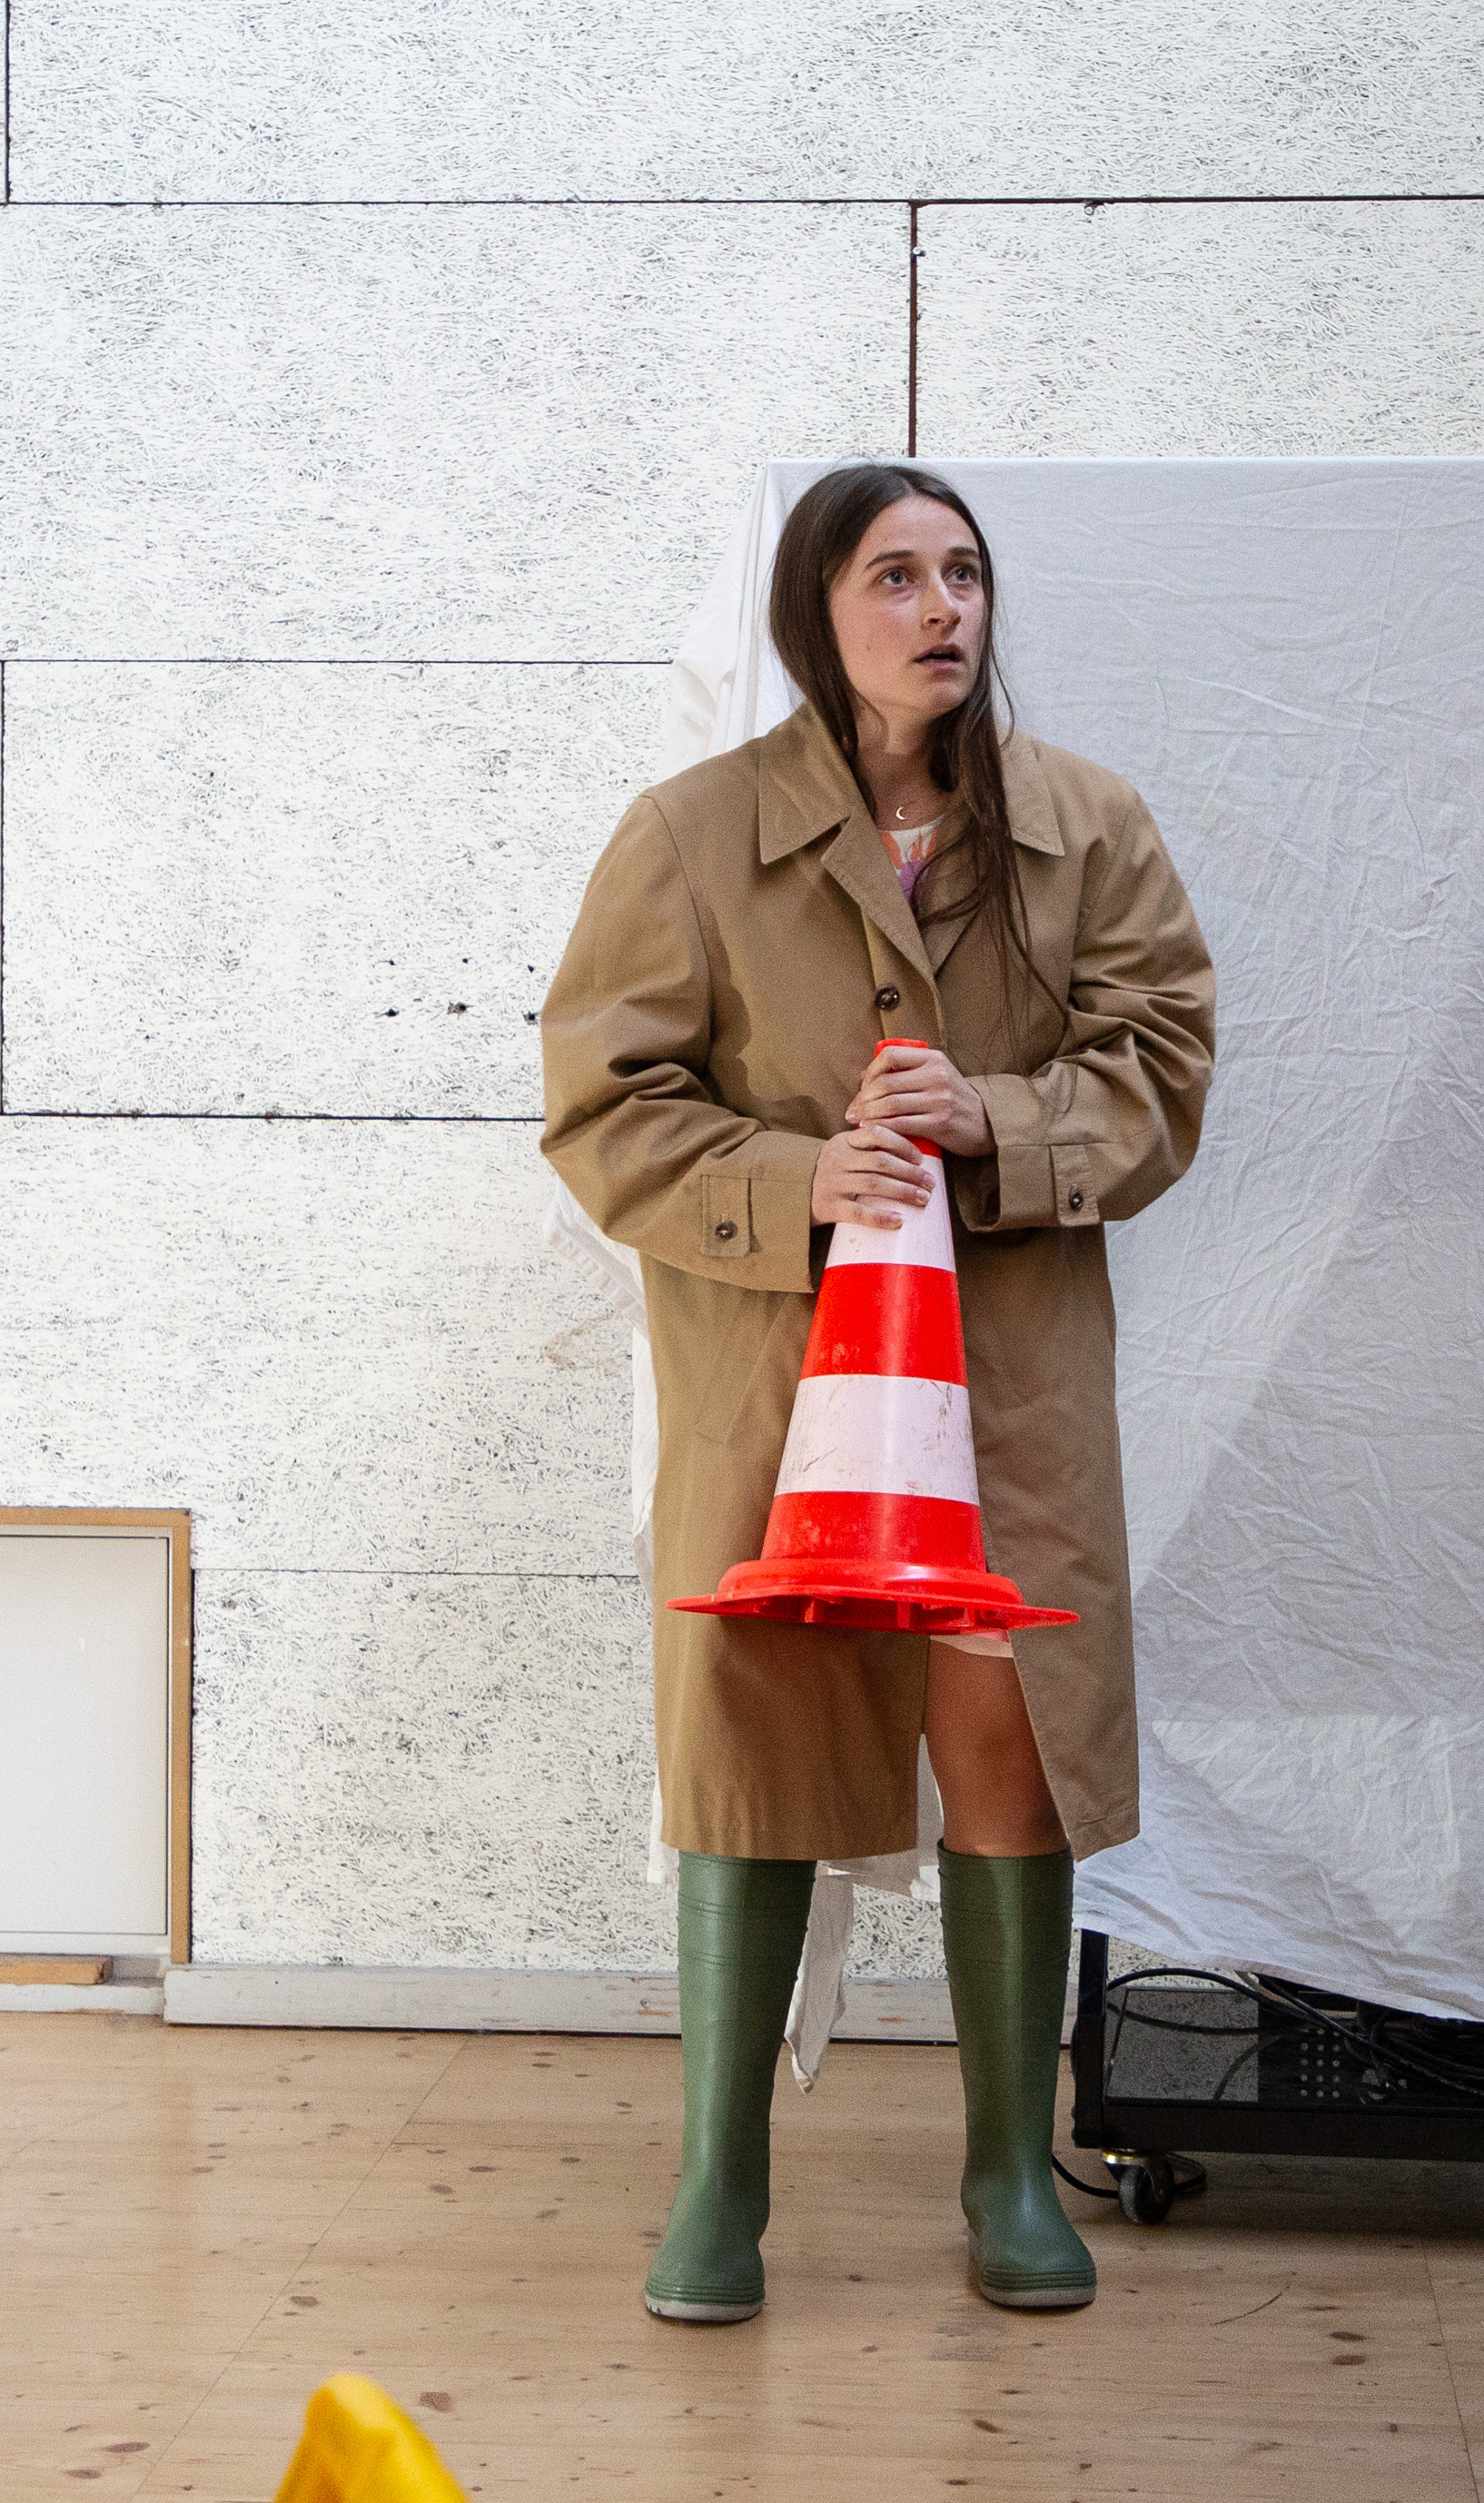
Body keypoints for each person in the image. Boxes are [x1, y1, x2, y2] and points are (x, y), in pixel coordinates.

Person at [539, 463, 1213, 2325]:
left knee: (1010, 1730)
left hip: (1008, 1382)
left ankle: (1007, 2174)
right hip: (773, 1376)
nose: (942, 608)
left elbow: (1165, 1067)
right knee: (754, 1740)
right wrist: (793, 1180)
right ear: (812, 614)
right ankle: (719, 2185)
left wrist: (991, 1117)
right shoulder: (690, 836)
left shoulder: (1087, 825)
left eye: (964, 574)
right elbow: (602, 1106)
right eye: (895, 576)